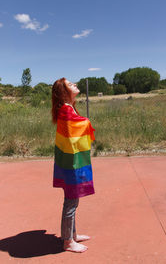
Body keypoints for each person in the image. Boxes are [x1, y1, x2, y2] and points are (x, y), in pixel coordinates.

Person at [51, 77, 95, 253]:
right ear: (64, 92)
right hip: (71, 164)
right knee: (71, 201)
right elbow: (76, 128)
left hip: (70, 162)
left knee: (72, 200)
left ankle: (72, 234)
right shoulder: (66, 110)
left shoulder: (67, 108)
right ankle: (68, 241)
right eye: (70, 84)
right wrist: (87, 122)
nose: (75, 85)